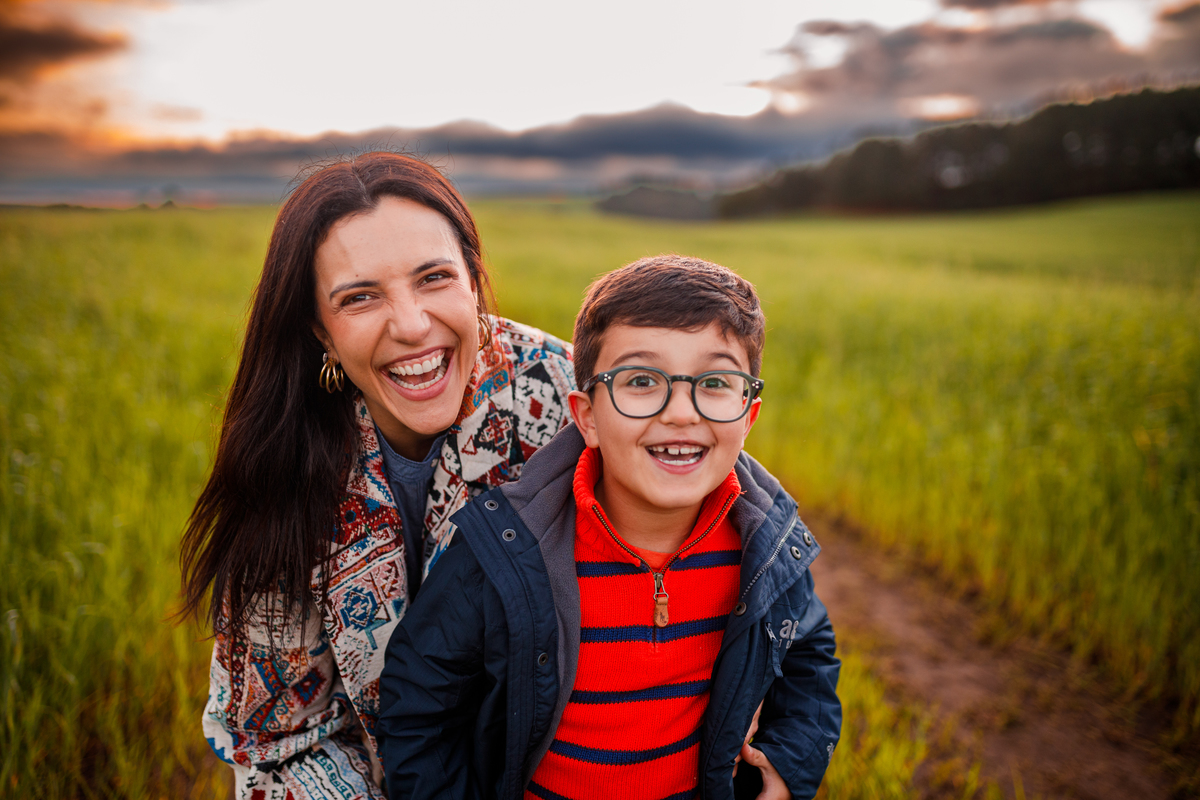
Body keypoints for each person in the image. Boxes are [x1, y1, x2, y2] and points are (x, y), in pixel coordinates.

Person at [179, 152, 576, 799]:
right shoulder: (282, 462)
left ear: (473, 281)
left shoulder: (566, 398)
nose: (412, 325)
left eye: (435, 278)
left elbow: (726, 521)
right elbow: (281, 742)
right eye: (360, 297)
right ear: (320, 329)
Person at [378, 255, 842, 800]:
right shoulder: (510, 549)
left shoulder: (762, 548)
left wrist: (788, 764)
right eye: (642, 381)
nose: (681, 412)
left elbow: (809, 654)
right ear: (587, 417)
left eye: (715, 381)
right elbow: (419, 701)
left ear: (748, 416)